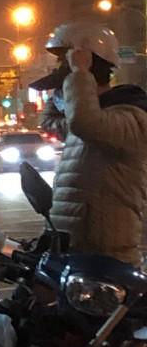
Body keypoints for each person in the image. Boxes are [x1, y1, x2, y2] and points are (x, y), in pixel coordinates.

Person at [33, 22, 147, 263]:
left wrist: (79, 73)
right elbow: (50, 123)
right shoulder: (87, 119)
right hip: (75, 250)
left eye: (64, 64)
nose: (61, 72)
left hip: (108, 257)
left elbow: (85, 123)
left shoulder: (131, 116)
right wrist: (60, 92)